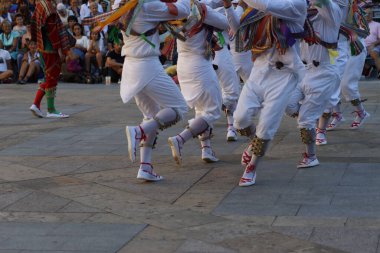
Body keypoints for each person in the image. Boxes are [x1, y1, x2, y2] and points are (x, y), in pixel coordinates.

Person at [93, 0, 191, 181]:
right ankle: (139, 131)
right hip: (147, 65)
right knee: (179, 108)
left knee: (151, 115)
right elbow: (183, 10)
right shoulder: (149, 6)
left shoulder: (119, 4)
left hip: (131, 66)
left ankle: (145, 167)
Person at [224, 0, 307, 186]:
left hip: (283, 76)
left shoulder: (296, 4)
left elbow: (266, 6)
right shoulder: (257, 9)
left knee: (266, 125)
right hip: (259, 69)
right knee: (240, 119)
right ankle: (254, 145)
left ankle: (252, 166)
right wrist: (228, 6)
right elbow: (238, 28)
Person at [167, 0, 228, 165]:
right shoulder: (200, 9)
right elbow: (224, 23)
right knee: (212, 111)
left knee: (202, 109)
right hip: (200, 64)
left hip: (183, 63)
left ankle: (206, 149)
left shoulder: (176, 10)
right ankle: (181, 139)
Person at [286, 0, 346, 168]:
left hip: (324, 73)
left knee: (305, 120)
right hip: (305, 72)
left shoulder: (331, 13)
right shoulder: (304, 16)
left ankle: (311, 156)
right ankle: (311, 120)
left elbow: (325, 2)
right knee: (288, 104)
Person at [29, 0, 74, 118]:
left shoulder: (40, 4)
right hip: (50, 49)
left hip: (42, 46)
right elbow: (52, 32)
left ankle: (36, 104)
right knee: (52, 79)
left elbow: (33, 24)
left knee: (47, 77)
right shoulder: (49, 8)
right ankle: (51, 110)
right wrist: (61, 49)